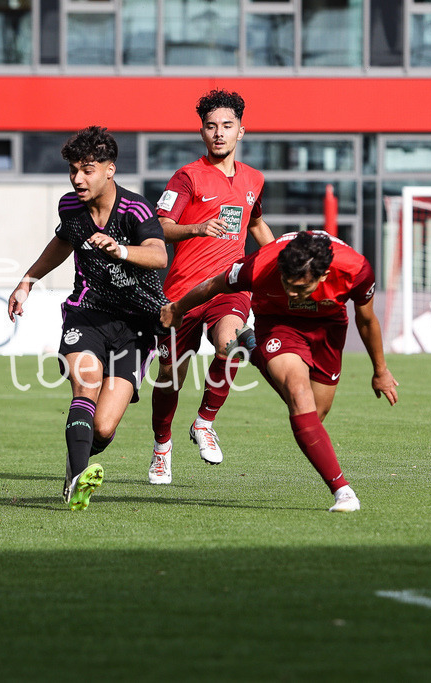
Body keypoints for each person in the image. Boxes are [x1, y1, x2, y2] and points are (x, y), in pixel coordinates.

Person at [160, 230, 399, 512]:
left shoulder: (356, 270)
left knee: (315, 414)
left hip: (327, 328)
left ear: (323, 276)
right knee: (299, 398)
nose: (292, 293)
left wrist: (380, 370)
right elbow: (214, 285)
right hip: (278, 323)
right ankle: (343, 491)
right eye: (287, 284)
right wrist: (177, 307)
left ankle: (250, 345)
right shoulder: (260, 264)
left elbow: (368, 320)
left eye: (301, 289)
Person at [8, 125, 169, 511]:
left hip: (138, 326)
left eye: (88, 169)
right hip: (88, 313)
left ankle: (75, 461)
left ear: (110, 170)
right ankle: (80, 478)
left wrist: (121, 250)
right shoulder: (71, 207)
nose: (78, 178)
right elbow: (62, 242)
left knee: (104, 427)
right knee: (86, 384)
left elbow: (159, 254)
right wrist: (27, 281)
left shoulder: (135, 209)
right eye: (73, 170)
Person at [149, 88, 274, 485]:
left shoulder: (254, 179)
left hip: (229, 288)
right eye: (210, 126)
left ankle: (204, 422)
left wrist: (281, 260)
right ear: (202, 132)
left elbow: (255, 225)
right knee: (170, 376)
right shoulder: (187, 176)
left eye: (227, 125)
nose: (218, 133)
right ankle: (162, 448)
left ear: (241, 131)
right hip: (182, 295)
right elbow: (158, 228)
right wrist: (196, 227)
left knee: (231, 342)